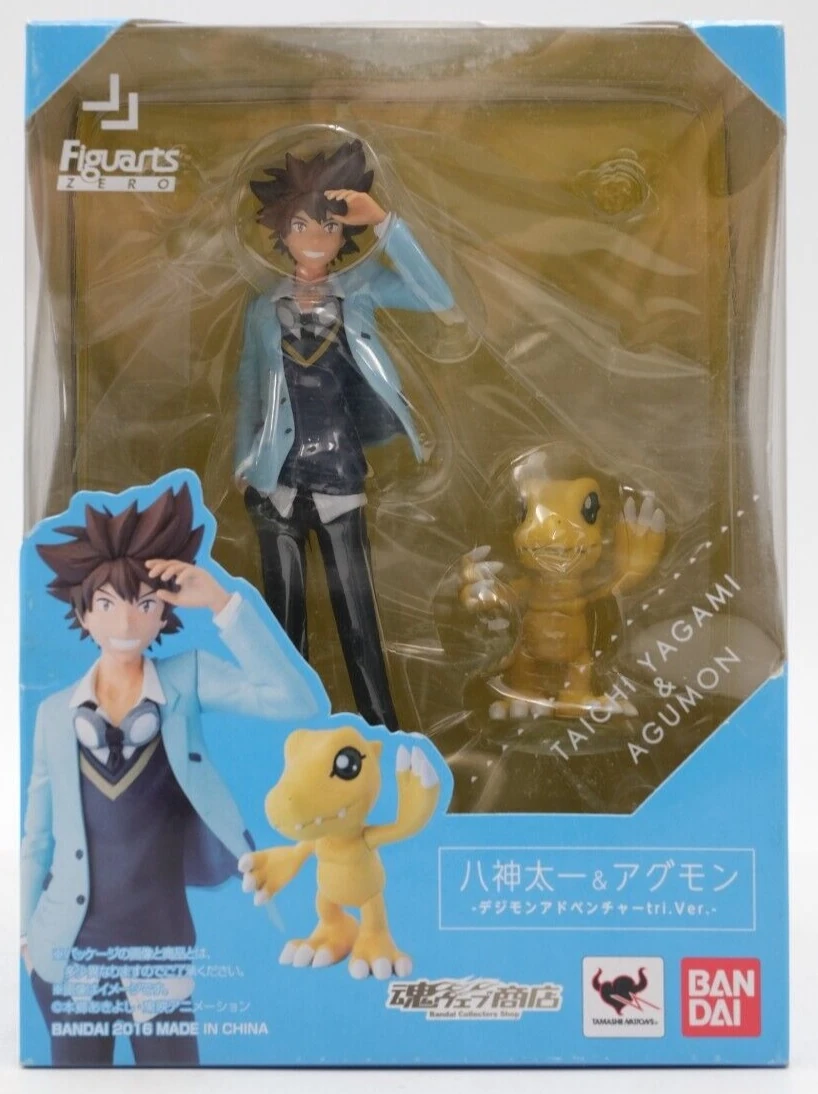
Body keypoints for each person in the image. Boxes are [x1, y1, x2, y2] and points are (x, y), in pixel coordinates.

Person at [21, 482, 324, 1066]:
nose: (126, 620)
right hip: (69, 948)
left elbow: (293, 701)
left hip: (158, 948)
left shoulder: (186, 678)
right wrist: (25, 936)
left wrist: (222, 603)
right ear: (82, 613)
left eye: (144, 603)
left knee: (172, 1070)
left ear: (163, 613)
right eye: (106, 604)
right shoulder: (55, 714)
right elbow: (35, 839)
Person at [235, 138, 455, 731]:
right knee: (284, 627)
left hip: (340, 477)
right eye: (301, 224)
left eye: (329, 225)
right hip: (277, 482)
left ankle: (383, 731)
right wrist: (245, 464)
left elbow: (439, 297)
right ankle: (287, 736)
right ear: (279, 230)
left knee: (358, 619)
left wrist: (383, 222)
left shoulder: (361, 290)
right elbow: (250, 389)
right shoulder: (262, 309)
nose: (314, 236)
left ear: (343, 234)